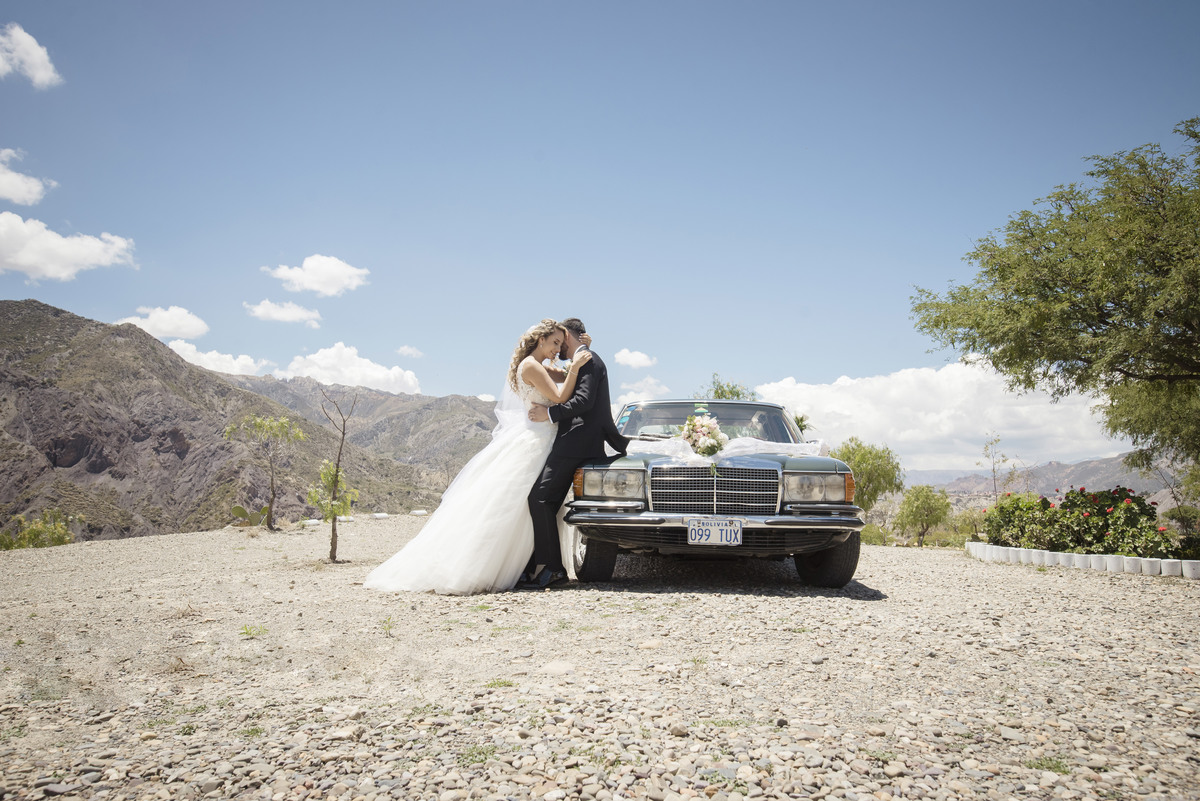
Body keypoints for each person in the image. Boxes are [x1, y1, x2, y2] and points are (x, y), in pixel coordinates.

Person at [363, 320, 591, 595]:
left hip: (543, 438)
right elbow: (561, 394)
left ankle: (531, 565)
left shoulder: (540, 365)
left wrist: (579, 353)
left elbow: (563, 375)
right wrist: (576, 367)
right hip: (536, 440)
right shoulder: (532, 365)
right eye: (554, 342)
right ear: (540, 340)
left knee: (525, 505)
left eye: (560, 343)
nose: (557, 348)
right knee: (519, 504)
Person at [522, 318, 630, 589]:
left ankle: (552, 569)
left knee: (540, 499)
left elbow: (583, 401)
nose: (558, 348)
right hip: (579, 441)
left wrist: (548, 414)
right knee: (547, 501)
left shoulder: (589, 358)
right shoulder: (581, 359)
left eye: (561, 341)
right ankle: (538, 567)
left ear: (569, 337)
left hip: (576, 441)